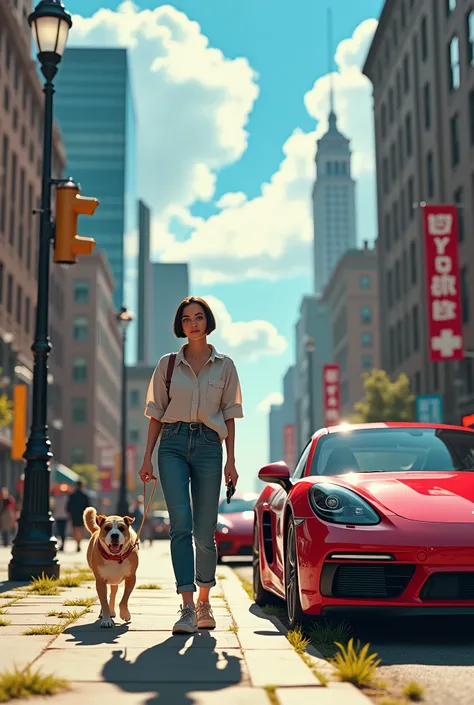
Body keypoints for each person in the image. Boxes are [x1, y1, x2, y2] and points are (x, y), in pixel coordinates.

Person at [138, 296, 243, 635]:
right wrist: (147, 457)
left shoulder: (225, 365)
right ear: (180, 326)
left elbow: (230, 415)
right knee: (180, 525)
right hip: (172, 444)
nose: (193, 323)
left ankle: (204, 601)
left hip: (210, 447)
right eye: (187, 319)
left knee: (204, 529)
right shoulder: (168, 365)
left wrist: (232, 460)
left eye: (199, 317)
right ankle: (185, 606)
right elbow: (155, 413)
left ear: (208, 321)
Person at [66, 480, 90, 552]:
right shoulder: (84, 496)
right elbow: (87, 506)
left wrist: (70, 514)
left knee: (75, 530)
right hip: (82, 515)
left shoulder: (72, 495)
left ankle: (77, 543)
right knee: (81, 530)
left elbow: (68, 507)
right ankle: (79, 542)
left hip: (74, 515)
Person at [53, 485, 70, 551]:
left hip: (62, 517)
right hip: (61, 517)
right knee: (60, 531)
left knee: (61, 531)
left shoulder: (62, 499)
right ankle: (62, 544)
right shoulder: (64, 499)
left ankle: (62, 544)